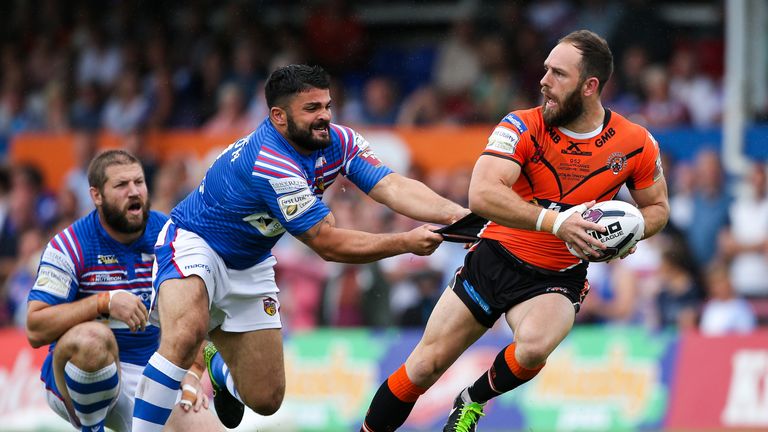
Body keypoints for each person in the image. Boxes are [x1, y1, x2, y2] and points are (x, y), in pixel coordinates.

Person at [361, 30, 670, 432]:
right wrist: (558, 222)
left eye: (558, 74)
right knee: (423, 368)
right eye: (545, 70)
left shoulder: (635, 143)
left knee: (535, 347)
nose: (544, 81)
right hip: (494, 258)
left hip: (558, 276)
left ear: (590, 86)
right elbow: (483, 193)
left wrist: (628, 234)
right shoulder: (521, 125)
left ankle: (472, 399)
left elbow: (658, 209)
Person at [131, 64, 468, 431]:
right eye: (311, 109)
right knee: (184, 336)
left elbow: (391, 186)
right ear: (278, 116)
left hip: (252, 260)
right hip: (195, 243)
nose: (324, 116)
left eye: (326, 105)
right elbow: (328, 244)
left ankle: (217, 365)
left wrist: (458, 214)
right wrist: (405, 242)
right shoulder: (272, 162)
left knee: (266, 399)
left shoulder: (339, 140)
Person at [25, 150, 222, 432]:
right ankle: (92, 428)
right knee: (95, 338)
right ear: (96, 195)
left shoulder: (171, 235)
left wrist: (193, 371)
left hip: (149, 370)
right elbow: (35, 328)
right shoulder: (68, 246)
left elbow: (201, 310)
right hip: (79, 372)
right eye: (121, 185)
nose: (134, 192)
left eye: (139, 182)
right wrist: (103, 303)